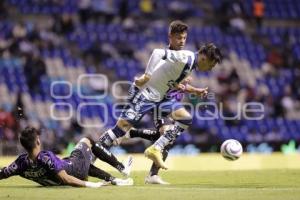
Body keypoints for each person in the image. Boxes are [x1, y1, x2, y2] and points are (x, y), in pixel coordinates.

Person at [99, 43, 222, 170]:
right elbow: (158, 52)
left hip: (161, 97)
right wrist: (147, 75)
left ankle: (155, 149)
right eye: (211, 65)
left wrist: (195, 90)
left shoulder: (190, 66)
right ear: (204, 58)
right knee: (120, 129)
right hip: (145, 93)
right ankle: (91, 155)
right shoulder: (186, 58)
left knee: (184, 119)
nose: (210, 69)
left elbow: (173, 83)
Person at [0, 127, 133, 187]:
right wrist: (91, 184)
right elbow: (66, 178)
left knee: (85, 163)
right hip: (73, 170)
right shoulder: (46, 157)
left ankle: (114, 180)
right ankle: (122, 168)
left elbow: (4, 172)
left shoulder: (20, 163)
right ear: (38, 141)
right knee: (87, 140)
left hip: (70, 167)